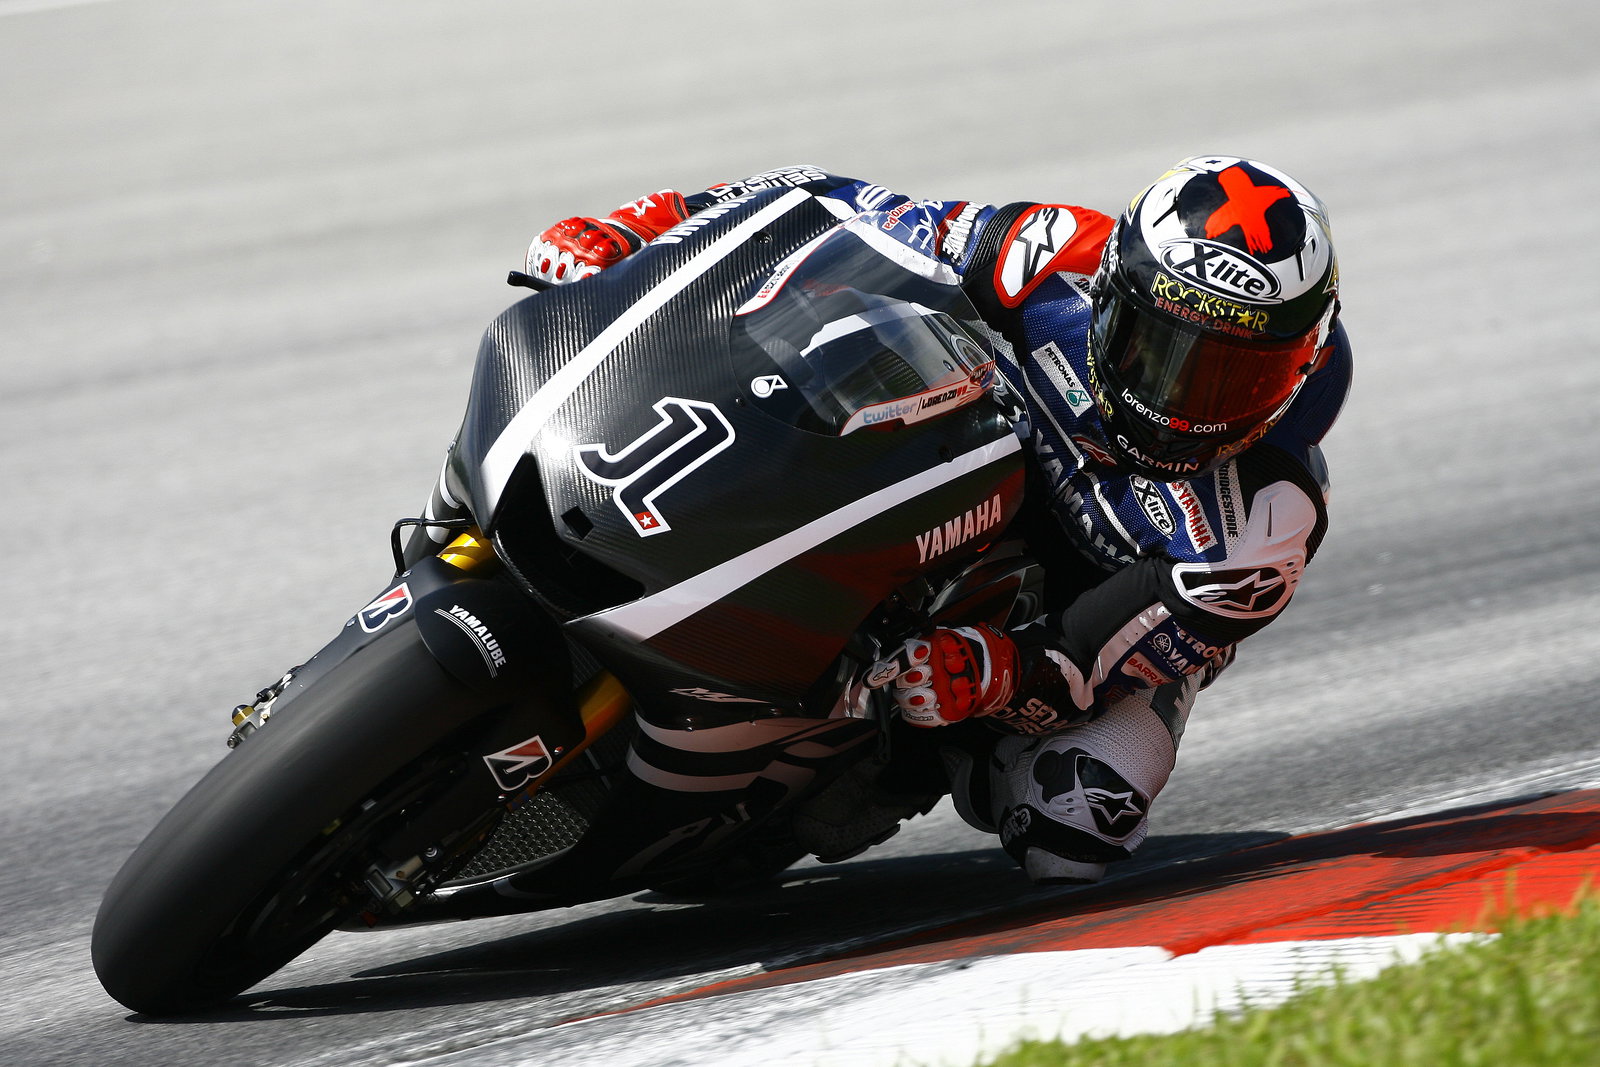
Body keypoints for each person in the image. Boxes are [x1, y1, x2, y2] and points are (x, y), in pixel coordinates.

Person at [519, 159, 1350, 885]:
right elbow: (833, 208)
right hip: (949, 462)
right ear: (1111, 290)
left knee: (1071, 824)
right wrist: (642, 226)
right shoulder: (1049, 251)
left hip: (1068, 616)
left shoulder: (1259, 527)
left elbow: (1088, 661)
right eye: (1155, 346)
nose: (1177, 400)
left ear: (1300, 366)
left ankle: (888, 761)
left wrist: (994, 674)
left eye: (1230, 378)